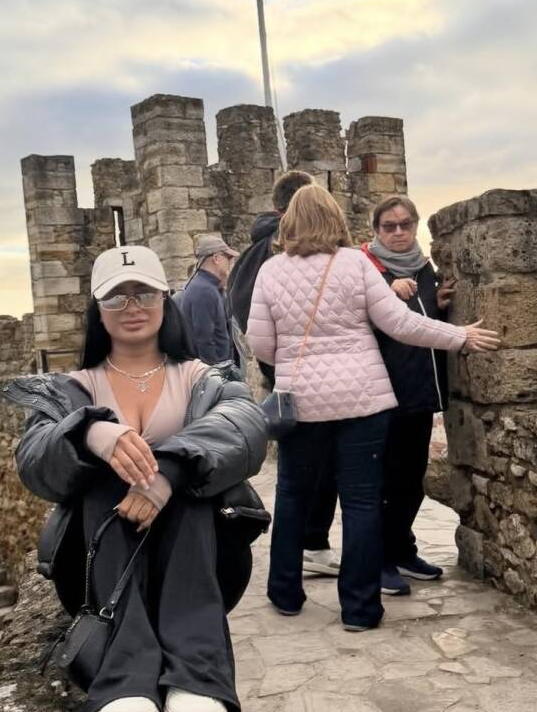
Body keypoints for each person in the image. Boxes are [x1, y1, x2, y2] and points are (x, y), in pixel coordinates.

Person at [6, 244, 268, 712]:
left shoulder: (204, 379)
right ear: (98, 310)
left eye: (144, 294)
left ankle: (197, 672)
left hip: (198, 558)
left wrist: (167, 470)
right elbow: (35, 462)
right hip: (99, 565)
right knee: (108, 471)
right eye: (116, 297)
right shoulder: (70, 391)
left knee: (189, 473)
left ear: (165, 301)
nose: (132, 307)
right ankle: (123, 676)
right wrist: (89, 432)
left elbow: (246, 427)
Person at [246, 184, 499, 631]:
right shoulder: (354, 263)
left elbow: (260, 344)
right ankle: (360, 609)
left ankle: (285, 593)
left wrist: (292, 361)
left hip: (301, 403)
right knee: (362, 501)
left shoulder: (270, 271)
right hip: (362, 399)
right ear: (335, 219)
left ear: (289, 222)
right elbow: (399, 323)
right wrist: (459, 336)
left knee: (292, 495)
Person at [228, 170, 340, 579]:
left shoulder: (251, 253)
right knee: (320, 468)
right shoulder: (281, 250)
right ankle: (313, 544)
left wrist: (277, 364)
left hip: (281, 374)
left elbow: (246, 317)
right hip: (308, 374)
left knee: (297, 475)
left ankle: (290, 572)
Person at [363, 195, 458, 595]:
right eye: (390, 226)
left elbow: (423, 321)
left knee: (411, 481)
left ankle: (403, 550)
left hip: (420, 391)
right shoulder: (368, 270)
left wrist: (436, 305)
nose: (399, 232)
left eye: (406, 224)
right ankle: (380, 561)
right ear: (376, 230)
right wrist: (387, 292)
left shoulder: (423, 268)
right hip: (385, 393)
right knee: (386, 483)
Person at [178, 235, 239, 365]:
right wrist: (217, 371)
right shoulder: (204, 290)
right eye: (227, 258)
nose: (229, 263)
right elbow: (204, 339)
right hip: (214, 369)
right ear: (216, 258)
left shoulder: (204, 286)